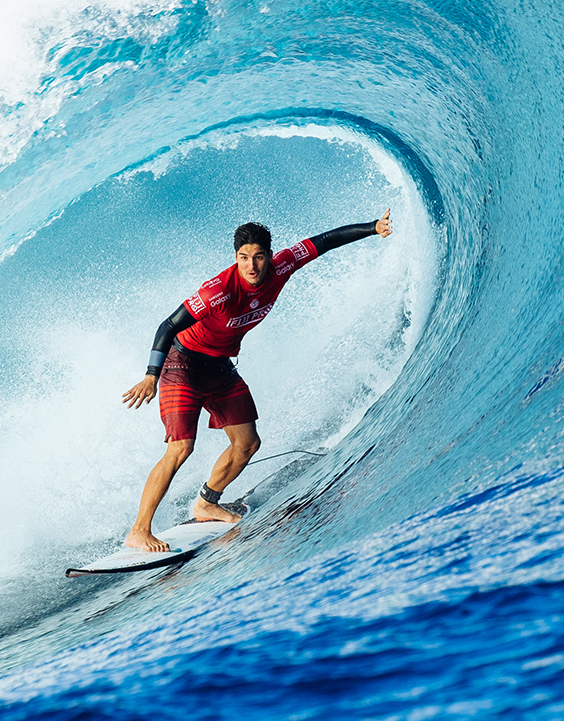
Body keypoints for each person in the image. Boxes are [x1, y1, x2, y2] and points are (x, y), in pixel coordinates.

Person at [118, 208, 394, 551]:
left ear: (269, 257)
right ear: (235, 257)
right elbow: (167, 326)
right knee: (181, 448)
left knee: (247, 443)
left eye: (259, 257)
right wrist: (150, 375)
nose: (251, 266)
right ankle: (139, 530)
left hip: (218, 367)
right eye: (243, 257)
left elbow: (323, 242)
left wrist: (373, 228)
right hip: (182, 366)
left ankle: (206, 503)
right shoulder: (216, 291)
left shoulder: (283, 267)